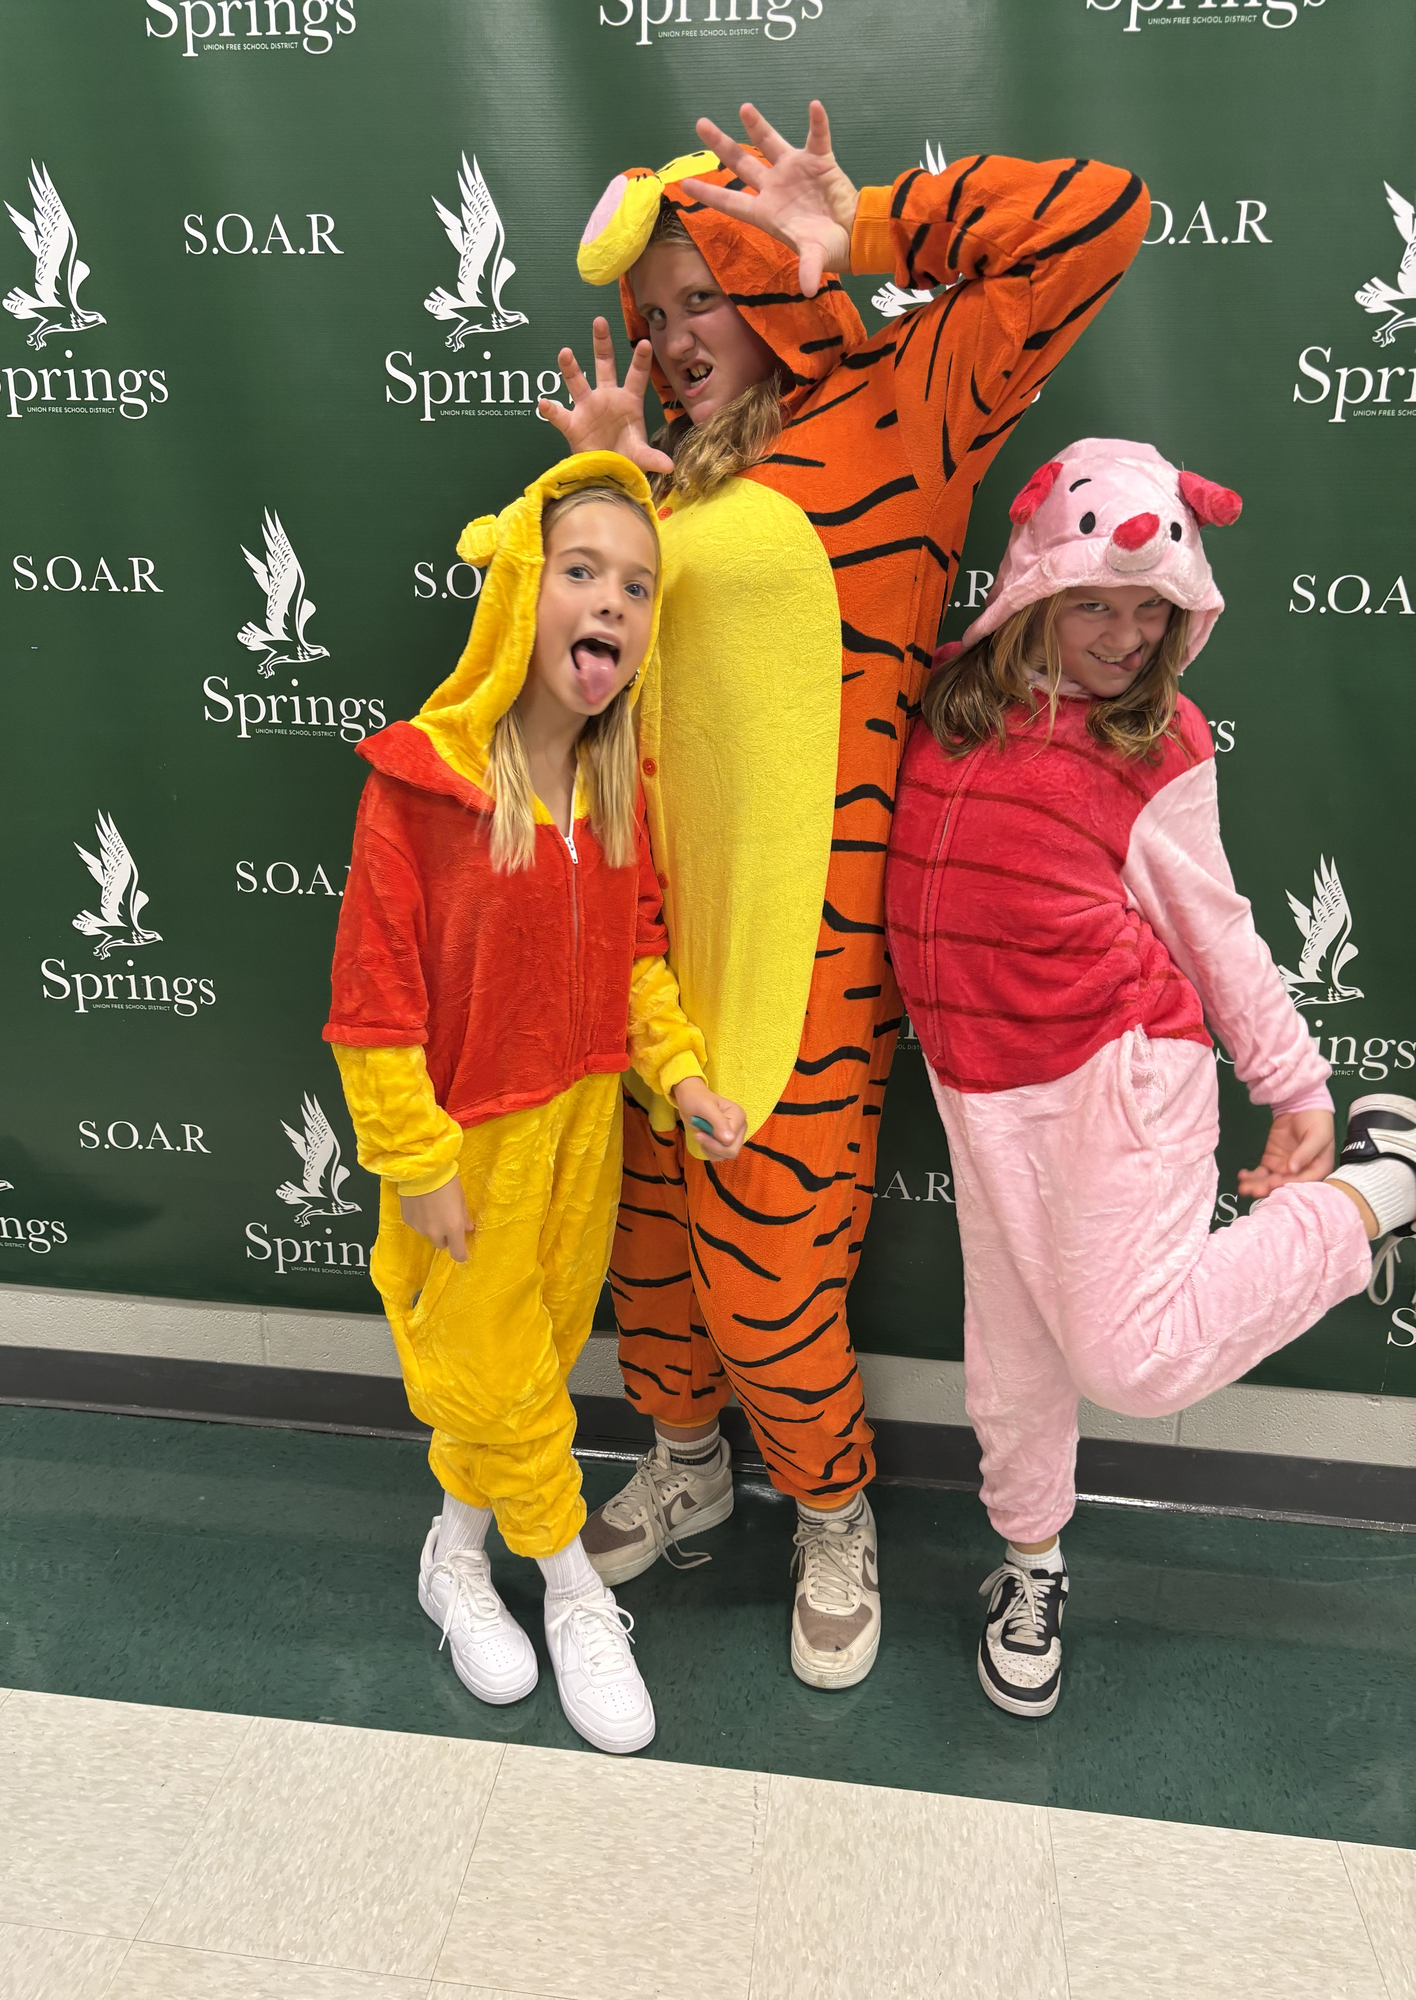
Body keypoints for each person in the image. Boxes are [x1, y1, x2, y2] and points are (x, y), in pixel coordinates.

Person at [542, 103, 1150, 1689]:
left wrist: (865, 226)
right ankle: (684, 1465)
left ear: (767, 275)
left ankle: (829, 1512)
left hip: (802, 947)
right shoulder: (665, 481)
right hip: (641, 926)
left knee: (769, 1269)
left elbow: (1100, 217)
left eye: (705, 295)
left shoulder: (900, 407)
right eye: (656, 313)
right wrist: (608, 508)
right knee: (655, 1248)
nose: (677, 339)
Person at [885, 438, 1416, 1718]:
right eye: (1097, 603)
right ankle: (1031, 1560)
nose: (1127, 635)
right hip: (978, 1087)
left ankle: (1380, 1191)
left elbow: (1217, 928)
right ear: (1035, 592)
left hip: (1120, 1073)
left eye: (1153, 609)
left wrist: (1299, 1089)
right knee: (1010, 1358)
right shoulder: (952, 702)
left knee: (1133, 1359)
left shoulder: (1159, 741)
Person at [323, 451, 747, 1755]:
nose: (610, 602)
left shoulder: (616, 800)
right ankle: (571, 1590)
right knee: (506, 1383)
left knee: (532, 1360)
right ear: (521, 590)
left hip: (583, 1144)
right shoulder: (423, 786)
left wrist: (677, 1074)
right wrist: (416, 1158)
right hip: (470, 1150)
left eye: (636, 584)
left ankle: (453, 1560)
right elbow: (372, 1006)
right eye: (581, 572)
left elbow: (634, 969)